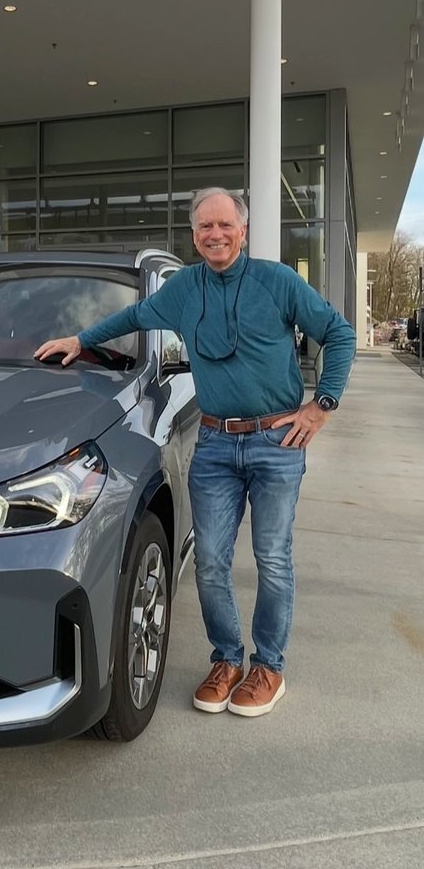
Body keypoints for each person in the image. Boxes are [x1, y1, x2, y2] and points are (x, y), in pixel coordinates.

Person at [34, 186, 356, 718]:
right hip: (214, 445)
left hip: (276, 442)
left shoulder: (277, 282)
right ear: (194, 234)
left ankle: (268, 667)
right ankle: (226, 660)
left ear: (243, 231)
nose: (216, 234)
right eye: (206, 226)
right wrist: (80, 339)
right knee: (208, 562)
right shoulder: (184, 289)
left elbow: (339, 335)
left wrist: (321, 406)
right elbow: (134, 317)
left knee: (273, 559)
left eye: (225, 225)